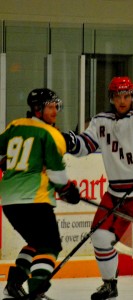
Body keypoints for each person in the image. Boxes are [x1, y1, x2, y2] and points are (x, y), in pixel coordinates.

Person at [63, 76, 133, 300]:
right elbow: (85, 145)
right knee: (101, 238)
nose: (122, 101)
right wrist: (69, 141)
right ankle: (109, 284)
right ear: (111, 98)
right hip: (116, 195)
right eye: (117, 96)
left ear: (132, 96)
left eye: (126, 96)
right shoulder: (100, 120)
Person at [0, 88, 80, 300]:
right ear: (37, 109)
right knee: (50, 245)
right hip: (33, 199)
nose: (55, 111)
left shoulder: (15, 125)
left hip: (8, 200)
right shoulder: (51, 134)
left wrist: (5, 161)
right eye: (50, 106)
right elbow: (56, 172)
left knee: (36, 242)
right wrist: (67, 190)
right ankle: (37, 290)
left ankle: (14, 283)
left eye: (56, 106)